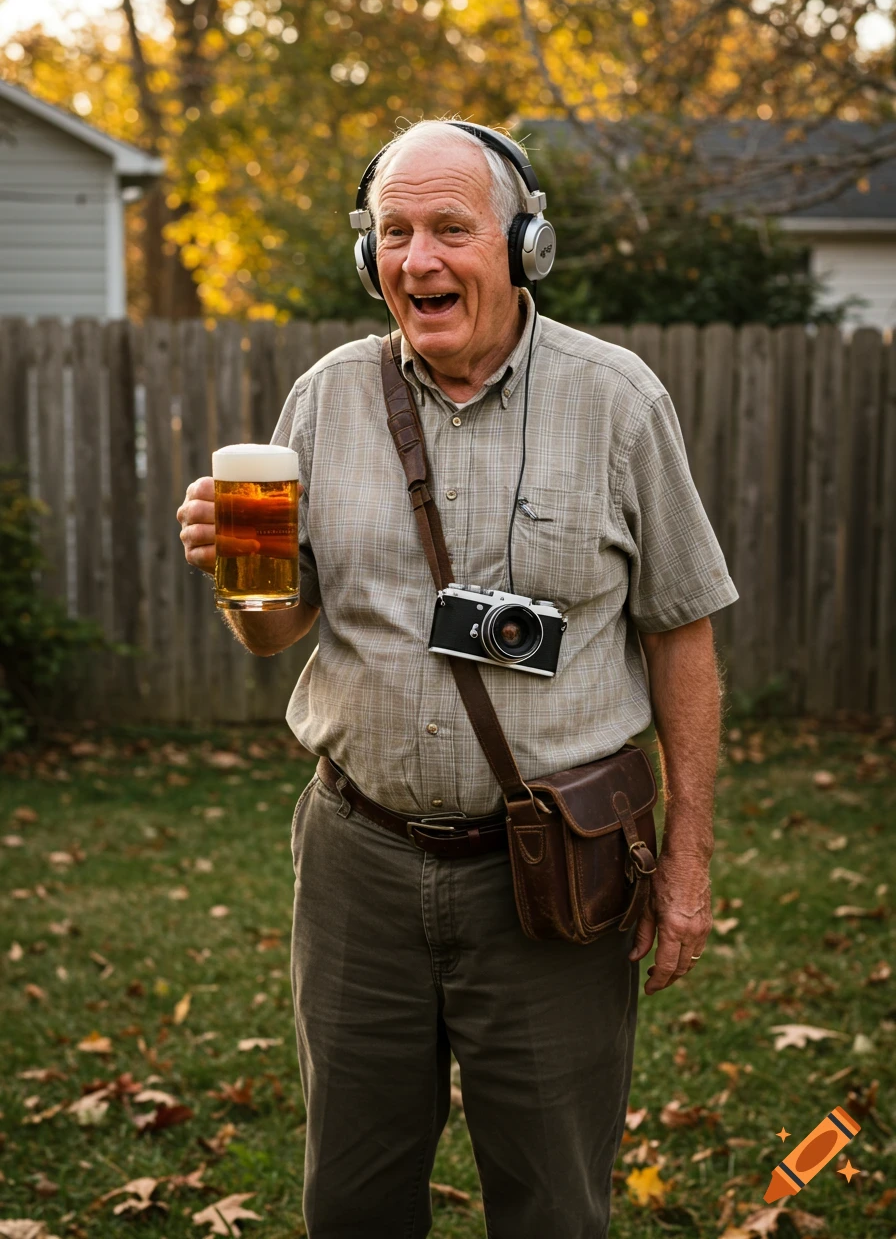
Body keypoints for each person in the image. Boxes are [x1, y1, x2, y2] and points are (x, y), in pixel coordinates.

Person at [176, 119, 739, 1239]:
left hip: (550, 876)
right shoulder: (327, 397)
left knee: (552, 1202)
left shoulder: (617, 402)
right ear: (366, 255)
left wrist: (683, 862)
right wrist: (237, 580)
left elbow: (681, 631)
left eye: (449, 229)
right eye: (393, 233)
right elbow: (275, 630)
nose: (418, 259)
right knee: (351, 1194)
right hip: (357, 863)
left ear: (522, 244)